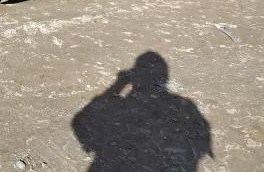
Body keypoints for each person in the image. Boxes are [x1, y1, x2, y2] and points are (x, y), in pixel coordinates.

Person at [72, 52, 212, 171]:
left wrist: (117, 85)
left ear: (135, 78)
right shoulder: (184, 106)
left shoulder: (120, 108)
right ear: (163, 79)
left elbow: (80, 121)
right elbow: (201, 141)